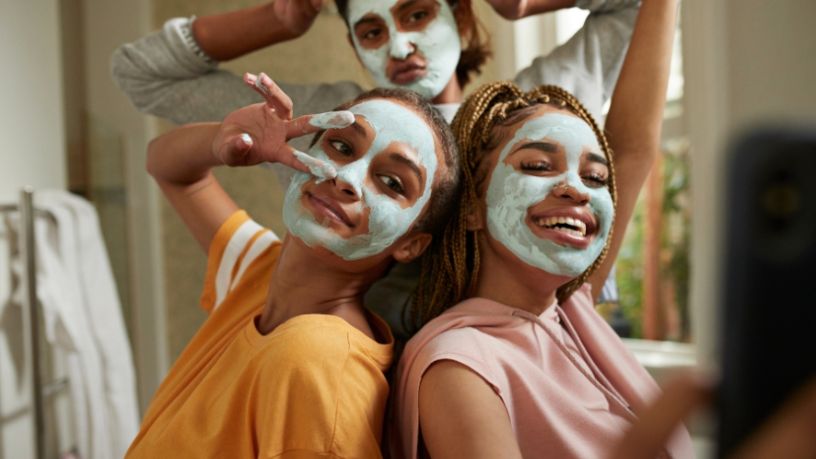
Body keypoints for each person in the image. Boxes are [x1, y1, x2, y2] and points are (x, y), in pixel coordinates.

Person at [110, 0, 641, 332]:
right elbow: (142, 75)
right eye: (371, 31)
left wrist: (520, 4)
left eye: (417, 13)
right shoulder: (322, 127)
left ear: (458, 14)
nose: (400, 45)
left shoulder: (531, 120)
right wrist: (276, 18)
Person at [392, 0, 693, 457]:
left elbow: (632, 148)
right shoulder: (458, 367)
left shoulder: (571, 309)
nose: (576, 189)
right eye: (537, 165)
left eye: (595, 177)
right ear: (470, 206)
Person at [125, 76, 459, 457]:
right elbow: (167, 167)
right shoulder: (256, 274)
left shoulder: (314, 364)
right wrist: (225, 140)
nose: (346, 178)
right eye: (341, 146)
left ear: (410, 244)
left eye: (390, 182)